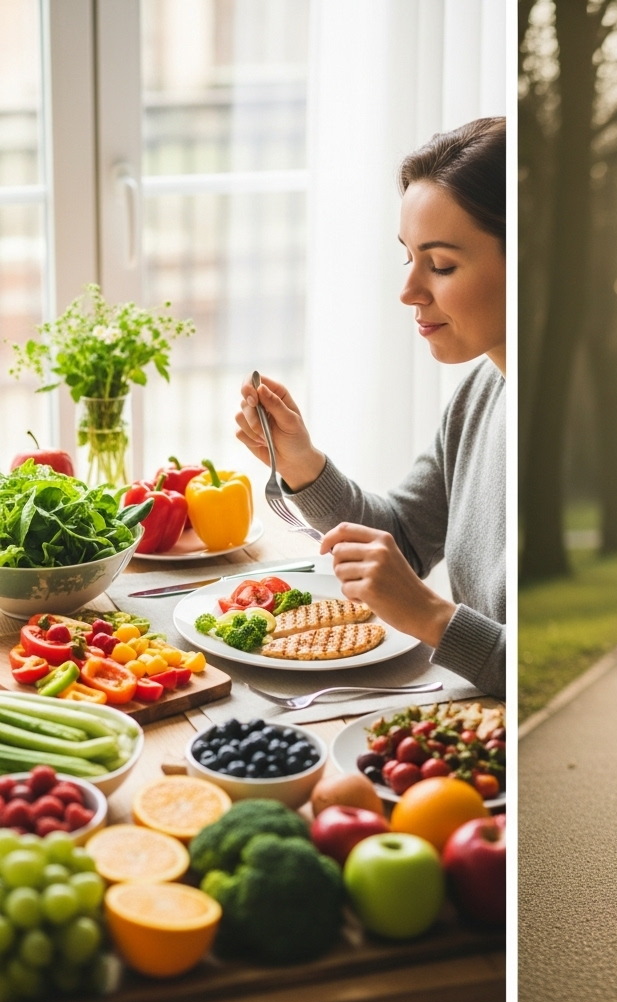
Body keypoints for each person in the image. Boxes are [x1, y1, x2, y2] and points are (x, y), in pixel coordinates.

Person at [234, 117, 506, 698]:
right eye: (408, 256)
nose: (409, 289)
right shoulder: (483, 391)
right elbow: (404, 539)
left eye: (442, 264)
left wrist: (435, 620)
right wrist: (302, 464)